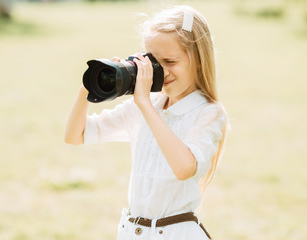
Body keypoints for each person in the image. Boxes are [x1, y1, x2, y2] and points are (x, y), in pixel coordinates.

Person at [65, 5, 228, 240]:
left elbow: (185, 168)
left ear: (199, 60)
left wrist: (145, 104)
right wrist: (87, 88)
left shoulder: (208, 113)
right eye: (153, 62)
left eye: (170, 61)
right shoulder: (144, 105)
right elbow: (75, 136)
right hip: (134, 232)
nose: (162, 72)